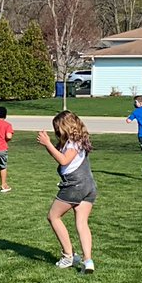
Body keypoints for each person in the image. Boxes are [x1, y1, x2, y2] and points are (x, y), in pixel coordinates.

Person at [37, 110, 97, 273]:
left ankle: (68, 255)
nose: (57, 132)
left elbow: (63, 160)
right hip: (89, 186)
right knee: (82, 223)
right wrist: (49, 145)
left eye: (57, 129)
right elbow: (62, 158)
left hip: (75, 186)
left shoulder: (72, 144)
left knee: (53, 216)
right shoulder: (79, 141)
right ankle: (88, 260)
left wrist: (48, 143)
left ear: (64, 127)